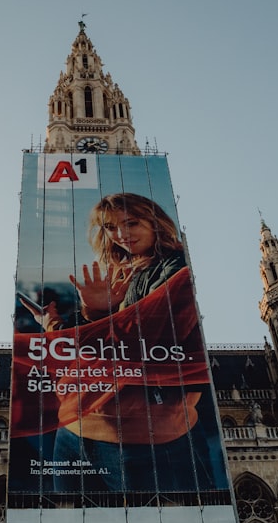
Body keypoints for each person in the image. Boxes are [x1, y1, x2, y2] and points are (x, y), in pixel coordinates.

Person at [23, 193, 219, 494]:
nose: (121, 235)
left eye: (132, 223)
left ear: (155, 223)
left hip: (145, 442)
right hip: (74, 433)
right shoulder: (124, 269)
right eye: (111, 227)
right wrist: (95, 311)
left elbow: (139, 343)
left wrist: (57, 327)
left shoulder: (177, 270)